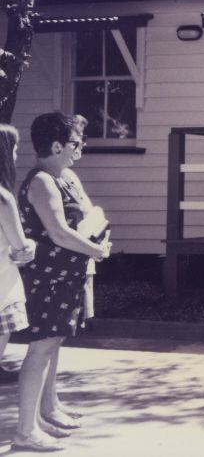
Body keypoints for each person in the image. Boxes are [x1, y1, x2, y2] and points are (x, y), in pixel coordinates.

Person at [16, 112, 111, 452]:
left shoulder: (66, 176)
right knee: (41, 347)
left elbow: (85, 215)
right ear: (55, 146)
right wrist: (96, 250)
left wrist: (96, 238)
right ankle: (26, 431)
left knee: (53, 343)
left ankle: (47, 411)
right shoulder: (42, 181)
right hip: (48, 276)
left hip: (69, 272)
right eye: (75, 143)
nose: (79, 149)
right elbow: (58, 232)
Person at [0, 124, 36, 384]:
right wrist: (30, 247)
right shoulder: (2, 198)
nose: (15, 155)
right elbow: (19, 245)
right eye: (13, 149)